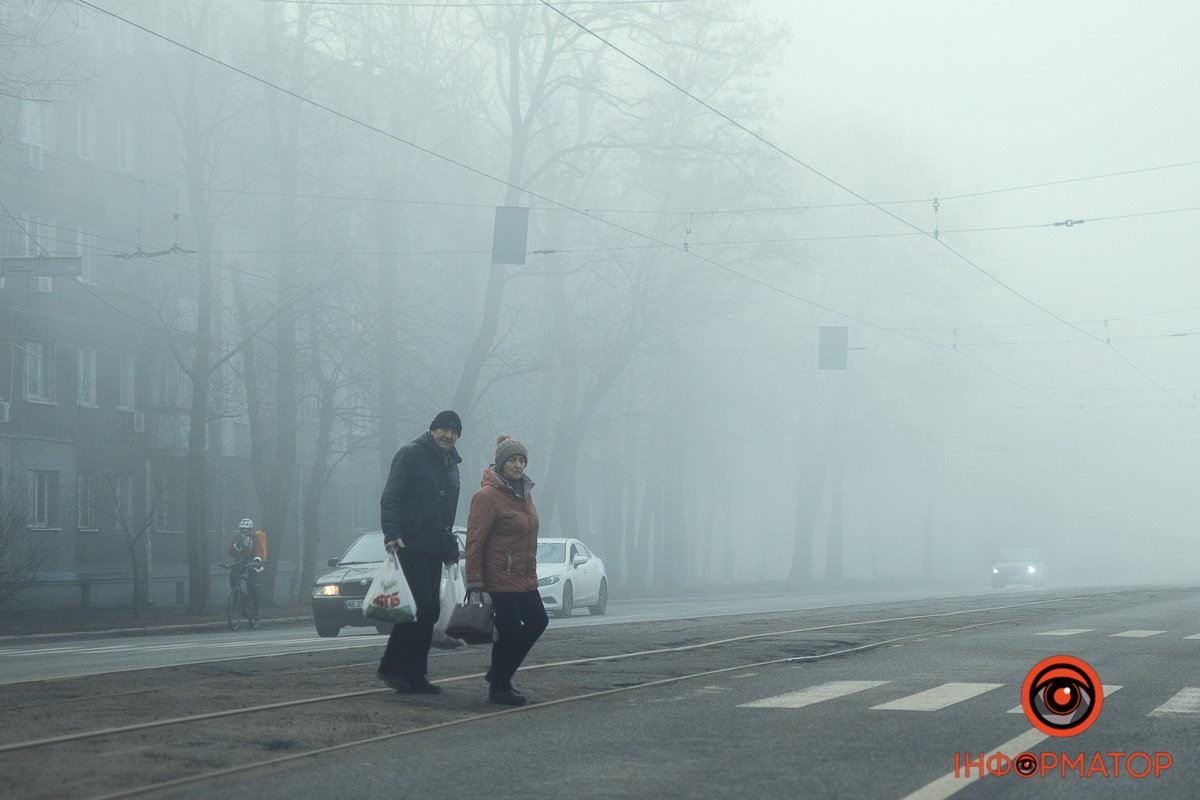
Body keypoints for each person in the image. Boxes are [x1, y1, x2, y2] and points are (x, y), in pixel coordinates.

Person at [376, 410, 463, 694]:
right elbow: (391, 496)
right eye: (444, 430)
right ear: (433, 430)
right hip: (410, 543)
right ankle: (391, 668)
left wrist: (449, 543)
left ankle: (415, 675)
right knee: (419, 607)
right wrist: (392, 533)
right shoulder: (411, 454)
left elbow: (446, 508)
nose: (448, 435)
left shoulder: (452, 464)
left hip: (435, 545)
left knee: (430, 610)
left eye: (454, 432)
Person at [465, 434, 548, 706]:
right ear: (501, 463)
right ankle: (499, 688)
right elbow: (475, 540)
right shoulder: (487, 496)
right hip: (499, 576)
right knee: (510, 630)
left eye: (522, 460)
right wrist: (474, 580)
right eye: (512, 460)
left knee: (538, 621)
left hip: (524, 575)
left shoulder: (524, 494)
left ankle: (499, 673)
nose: (518, 465)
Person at [227, 519, 266, 610]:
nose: (244, 532)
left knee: (251, 586)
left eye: (246, 530)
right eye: (242, 530)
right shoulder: (237, 538)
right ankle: (238, 598)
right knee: (232, 577)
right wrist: (238, 543)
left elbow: (259, 551)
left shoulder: (256, 538)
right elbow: (231, 553)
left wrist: (256, 562)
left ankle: (256, 608)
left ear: (250, 530)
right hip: (241, 563)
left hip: (253, 564)